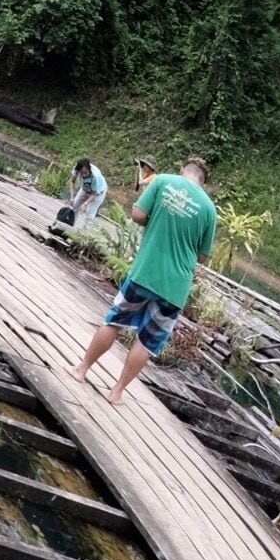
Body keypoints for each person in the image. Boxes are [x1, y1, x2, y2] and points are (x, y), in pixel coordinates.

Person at [68, 155, 218, 405]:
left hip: (145, 272)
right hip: (175, 287)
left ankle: (81, 370)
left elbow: (138, 214)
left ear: (184, 170)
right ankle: (116, 392)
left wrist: (159, 220)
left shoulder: (163, 182)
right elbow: (203, 256)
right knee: (146, 341)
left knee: (114, 321)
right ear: (203, 181)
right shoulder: (209, 209)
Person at [58, 157, 108, 228]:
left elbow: (94, 193)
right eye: (81, 173)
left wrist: (86, 203)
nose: (84, 175)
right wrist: (72, 197)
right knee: (74, 205)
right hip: (85, 188)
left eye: (86, 173)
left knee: (90, 212)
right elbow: (72, 182)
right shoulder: (76, 169)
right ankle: (69, 226)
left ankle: (84, 234)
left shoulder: (96, 176)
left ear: (89, 169)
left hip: (98, 192)